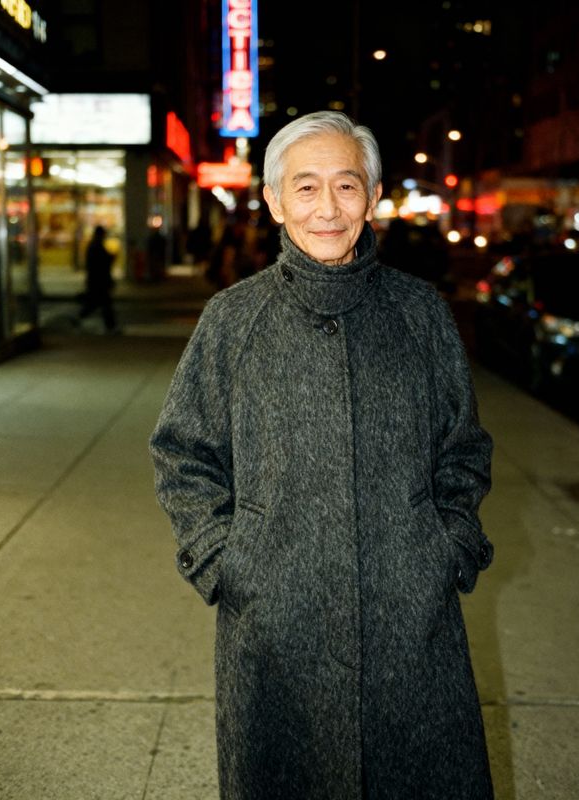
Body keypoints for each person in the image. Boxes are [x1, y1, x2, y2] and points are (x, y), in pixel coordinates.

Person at [149, 111, 495, 799]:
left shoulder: (419, 313)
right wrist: (226, 561)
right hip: (275, 627)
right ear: (275, 202)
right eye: (305, 188)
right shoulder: (233, 319)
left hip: (412, 624)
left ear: (372, 197)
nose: (328, 208)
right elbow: (182, 453)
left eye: (346, 185)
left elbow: (463, 449)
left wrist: (447, 546)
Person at [79, 225, 117, 332]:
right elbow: (102, 263)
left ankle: (110, 325)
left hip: (96, 280)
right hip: (99, 281)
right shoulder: (96, 246)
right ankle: (110, 326)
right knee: (103, 303)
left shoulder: (94, 245)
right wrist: (111, 257)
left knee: (98, 303)